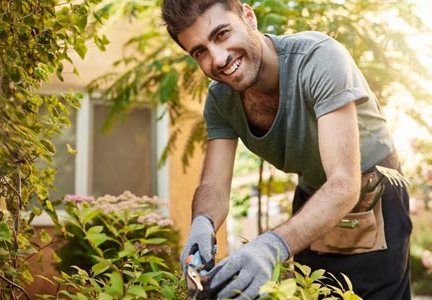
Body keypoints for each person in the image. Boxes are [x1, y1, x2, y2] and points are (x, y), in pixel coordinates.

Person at [162, 1, 412, 299]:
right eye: (200, 52)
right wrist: (202, 222)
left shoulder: (319, 58)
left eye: (222, 34)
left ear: (249, 17)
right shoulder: (220, 100)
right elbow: (214, 185)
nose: (218, 58)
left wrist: (270, 246)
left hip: (374, 197)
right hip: (312, 196)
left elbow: (345, 184)